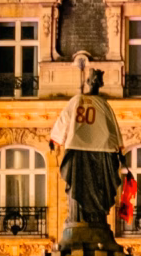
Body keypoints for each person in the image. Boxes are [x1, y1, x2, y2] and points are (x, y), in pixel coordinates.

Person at [49, 69, 126, 225]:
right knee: (97, 185)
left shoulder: (78, 100)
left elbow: (64, 119)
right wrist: (118, 149)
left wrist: (55, 138)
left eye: (96, 80)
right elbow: (113, 129)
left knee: (82, 184)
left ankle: (85, 218)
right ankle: (90, 218)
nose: (95, 83)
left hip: (80, 146)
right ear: (92, 83)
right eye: (94, 80)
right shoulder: (102, 103)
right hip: (100, 149)